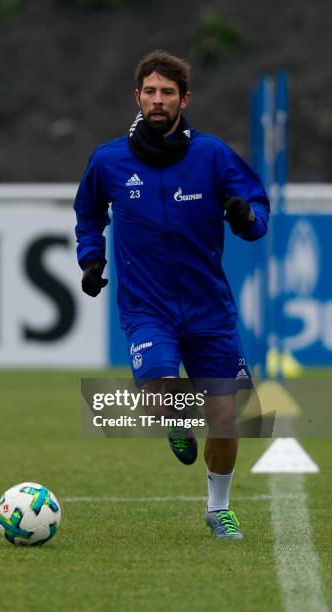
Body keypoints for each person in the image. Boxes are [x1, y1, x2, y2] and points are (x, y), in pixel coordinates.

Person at [74, 50, 270, 540]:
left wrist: (246, 217)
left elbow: (258, 210)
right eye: (150, 91)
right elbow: (88, 213)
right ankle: (175, 419)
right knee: (161, 399)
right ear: (137, 96)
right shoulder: (108, 160)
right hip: (148, 309)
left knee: (226, 417)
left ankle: (217, 507)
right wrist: (91, 257)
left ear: (184, 99)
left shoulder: (213, 155)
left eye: (167, 92)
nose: (157, 100)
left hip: (209, 311)